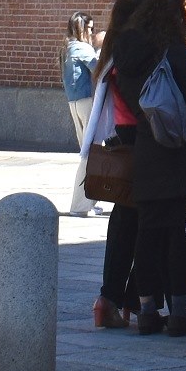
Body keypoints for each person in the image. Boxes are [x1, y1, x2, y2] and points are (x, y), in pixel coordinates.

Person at [100, 0, 186, 335]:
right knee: (178, 237)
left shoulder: (128, 57)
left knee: (147, 235)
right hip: (180, 155)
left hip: (146, 154)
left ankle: (147, 311)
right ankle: (179, 313)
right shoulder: (175, 54)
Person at [90, 0, 158, 329]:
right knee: (138, 221)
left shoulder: (116, 45)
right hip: (139, 136)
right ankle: (120, 297)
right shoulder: (135, 47)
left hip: (123, 134)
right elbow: (147, 93)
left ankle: (113, 299)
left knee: (126, 219)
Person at [62, 13, 103, 218]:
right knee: (90, 154)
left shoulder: (68, 47)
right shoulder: (81, 48)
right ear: (81, 28)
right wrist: (103, 48)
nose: (92, 32)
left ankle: (89, 199)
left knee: (90, 151)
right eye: (90, 29)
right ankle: (80, 205)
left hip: (75, 102)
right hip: (86, 101)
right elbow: (99, 69)